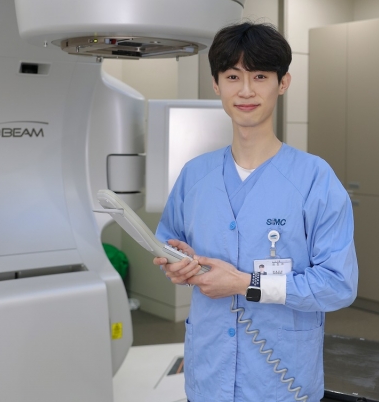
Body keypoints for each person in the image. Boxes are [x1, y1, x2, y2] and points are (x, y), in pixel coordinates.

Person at [153, 22, 358, 402]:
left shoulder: (315, 179)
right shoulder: (195, 175)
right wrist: (177, 264)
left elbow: (338, 285)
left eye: (260, 76)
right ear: (216, 84)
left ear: (283, 83)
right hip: (207, 376)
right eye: (233, 76)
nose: (245, 90)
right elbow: (169, 243)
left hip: (281, 382)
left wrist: (245, 283)